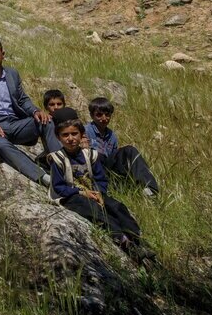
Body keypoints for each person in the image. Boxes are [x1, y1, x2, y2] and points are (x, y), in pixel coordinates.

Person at [47, 109, 147, 255]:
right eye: (65, 135)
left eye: (74, 134)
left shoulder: (90, 155)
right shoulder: (57, 159)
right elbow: (59, 187)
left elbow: (100, 178)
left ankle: (136, 238)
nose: (70, 138)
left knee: (116, 206)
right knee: (95, 211)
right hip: (72, 196)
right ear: (58, 137)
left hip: (93, 192)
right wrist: (81, 192)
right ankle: (122, 239)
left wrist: (100, 192)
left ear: (81, 135)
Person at [0, 38, 58, 185]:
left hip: (16, 124)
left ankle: (59, 167)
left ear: (3, 54)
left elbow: (22, 100)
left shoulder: (12, 74)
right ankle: (43, 178)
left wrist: (35, 111)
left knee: (47, 121)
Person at [86, 97, 159, 196]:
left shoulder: (112, 136)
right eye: (99, 115)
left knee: (130, 151)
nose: (104, 118)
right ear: (92, 115)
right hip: (94, 168)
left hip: (108, 170)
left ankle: (150, 189)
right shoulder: (86, 131)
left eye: (107, 115)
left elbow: (113, 157)